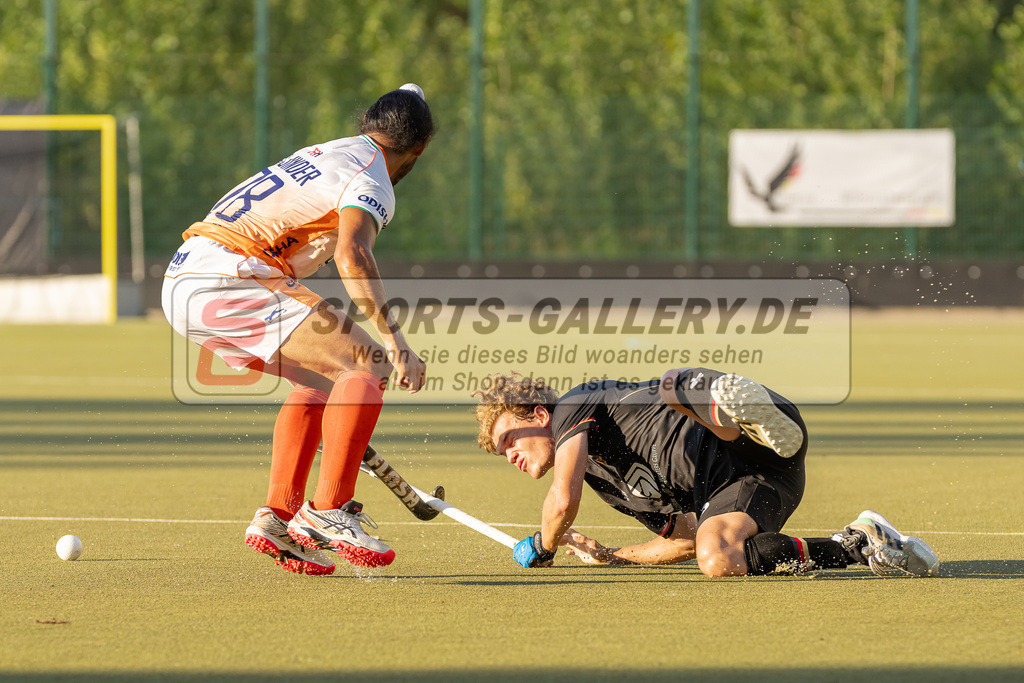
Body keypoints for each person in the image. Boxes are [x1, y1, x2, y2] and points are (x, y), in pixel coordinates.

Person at [162, 84, 434, 575]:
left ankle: (278, 517)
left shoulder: (330, 151)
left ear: (369, 125)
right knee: (368, 362)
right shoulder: (372, 178)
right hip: (229, 276)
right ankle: (329, 509)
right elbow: (353, 253)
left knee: (324, 382)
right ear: (420, 148)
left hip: (184, 279)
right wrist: (396, 341)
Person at [474, 368, 939, 577]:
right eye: (501, 452)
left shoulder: (574, 406)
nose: (509, 455)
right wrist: (613, 556)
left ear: (540, 415)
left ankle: (731, 406)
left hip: (738, 440)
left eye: (509, 439)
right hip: (761, 482)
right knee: (717, 556)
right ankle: (860, 544)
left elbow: (562, 502)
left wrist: (544, 545)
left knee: (672, 387)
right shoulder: (607, 484)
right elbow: (682, 538)